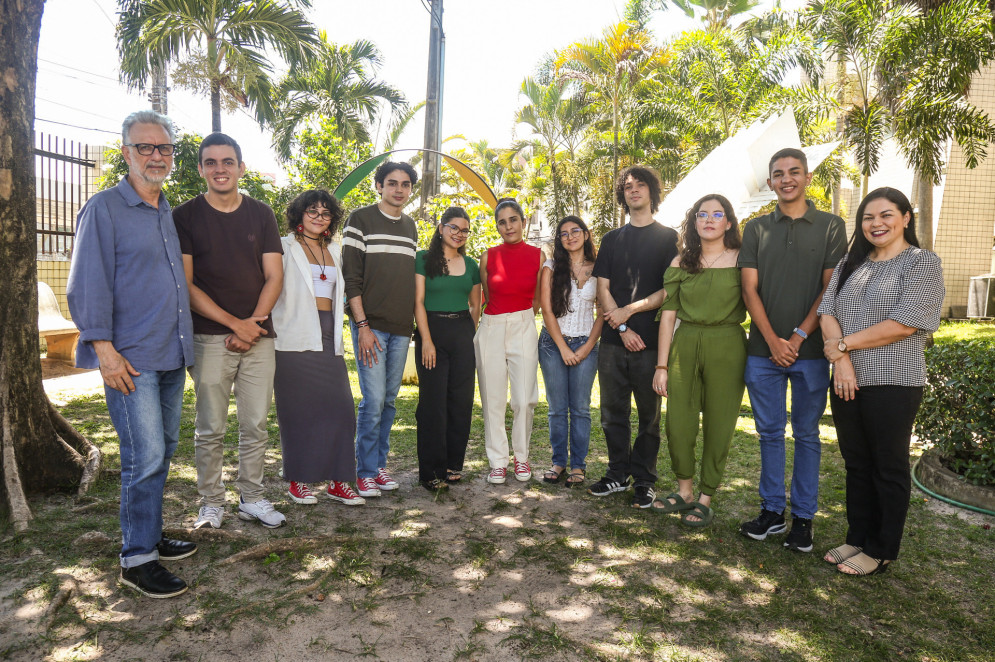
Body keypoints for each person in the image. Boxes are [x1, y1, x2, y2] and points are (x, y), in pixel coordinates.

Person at [67, 110, 196, 598]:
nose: (156, 156)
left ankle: (151, 533)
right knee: (144, 457)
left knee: (163, 452)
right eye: (145, 147)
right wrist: (103, 349)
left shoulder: (165, 211)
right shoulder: (104, 208)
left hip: (170, 354)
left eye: (164, 148)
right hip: (129, 360)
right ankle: (136, 558)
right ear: (126, 153)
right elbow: (87, 282)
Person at [818, 187, 943, 575]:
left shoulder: (921, 263)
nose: (876, 224)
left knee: (887, 467)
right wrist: (842, 361)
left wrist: (842, 346)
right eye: (868, 217)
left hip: (894, 382)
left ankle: (881, 549)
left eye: (886, 215)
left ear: (906, 218)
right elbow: (826, 311)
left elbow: (904, 323)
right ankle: (857, 538)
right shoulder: (851, 262)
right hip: (846, 380)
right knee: (857, 463)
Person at [173, 133, 286, 530]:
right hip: (209, 337)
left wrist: (252, 324)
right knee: (210, 427)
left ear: (241, 167)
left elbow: (275, 276)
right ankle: (211, 502)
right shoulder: (185, 216)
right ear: (201, 168)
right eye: (211, 162)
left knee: (255, 425)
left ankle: (252, 497)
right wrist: (235, 324)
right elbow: (186, 285)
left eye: (227, 162)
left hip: (259, 336)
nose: (219, 169)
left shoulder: (262, 214)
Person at [737, 147, 847, 552]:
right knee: (769, 434)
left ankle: (803, 519)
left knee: (806, 435)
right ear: (770, 182)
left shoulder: (831, 226)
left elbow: (830, 289)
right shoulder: (755, 229)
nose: (787, 179)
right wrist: (772, 340)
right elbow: (749, 289)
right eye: (779, 174)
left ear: (807, 177)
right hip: (762, 353)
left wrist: (798, 337)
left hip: (812, 353)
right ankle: (771, 512)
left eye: (794, 172)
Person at [651, 195, 745, 526]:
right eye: (702, 214)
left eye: (717, 214)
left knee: (720, 424)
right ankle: (685, 491)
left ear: (729, 223)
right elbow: (668, 316)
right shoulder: (681, 262)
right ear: (694, 222)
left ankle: (706, 497)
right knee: (679, 424)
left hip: (728, 345)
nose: (709, 220)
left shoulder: (742, 260)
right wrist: (662, 366)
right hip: (686, 343)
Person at [588, 166, 679, 508]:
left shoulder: (669, 238)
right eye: (628, 186)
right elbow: (603, 288)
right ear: (622, 195)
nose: (634, 190)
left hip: (651, 343)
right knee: (612, 413)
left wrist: (629, 311)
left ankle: (644, 479)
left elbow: (668, 291)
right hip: (614, 343)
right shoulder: (612, 239)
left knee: (649, 418)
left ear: (652, 191)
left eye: (641, 185)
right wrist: (623, 327)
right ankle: (617, 473)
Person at [271, 190, 364, 506]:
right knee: (298, 411)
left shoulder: (336, 250)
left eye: (325, 213)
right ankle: (298, 480)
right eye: (312, 210)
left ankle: (339, 481)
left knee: (341, 408)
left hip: (328, 335)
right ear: (299, 214)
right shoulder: (283, 247)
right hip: (292, 336)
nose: (319, 217)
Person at [342, 161, 419, 497]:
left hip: (401, 328)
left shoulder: (410, 227)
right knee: (372, 400)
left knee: (388, 400)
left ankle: (378, 466)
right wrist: (362, 326)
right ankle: (364, 472)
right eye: (392, 183)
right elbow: (351, 279)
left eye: (405, 184)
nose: (399, 189)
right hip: (370, 327)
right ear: (378, 186)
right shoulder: (360, 219)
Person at [475, 197, 543, 484]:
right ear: (498, 227)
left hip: (524, 324)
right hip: (491, 326)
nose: (508, 226)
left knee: (524, 399)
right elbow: (486, 296)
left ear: (523, 221)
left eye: (513, 219)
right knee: (492, 399)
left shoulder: (539, 256)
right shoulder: (488, 256)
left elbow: (538, 298)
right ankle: (498, 462)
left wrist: (521, 318)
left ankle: (522, 458)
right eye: (502, 222)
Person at [414, 207, 482, 490]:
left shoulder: (472, 265)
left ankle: (454, 464)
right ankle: (430, 471)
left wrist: (468, 334)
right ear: (441, 228)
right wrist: (427, 340)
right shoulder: (422, 259)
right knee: (433, 404)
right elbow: (418, 302)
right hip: (432, 332)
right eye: (453, 227)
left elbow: (476, 305)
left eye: (464, 230)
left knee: (460, 401)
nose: (459, 234)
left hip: (463, 333)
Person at [538, 215, 603, 487]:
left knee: (580, 408)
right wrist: (563, 348)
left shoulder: (600, 268)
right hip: (553, 345)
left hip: (586, 343)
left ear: (586, 234)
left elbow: (603, 312)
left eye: (575, 231)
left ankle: (578, 466)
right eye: (564, 233)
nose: (570, 237)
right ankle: (558, 462)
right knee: (556, 408)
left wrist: (587, 347)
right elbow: (546, 309)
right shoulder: (551, 267)